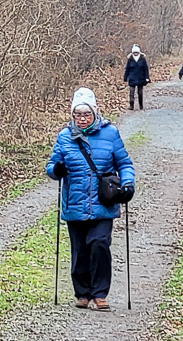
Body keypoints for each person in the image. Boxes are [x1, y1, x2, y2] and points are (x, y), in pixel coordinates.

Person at [47, 87, 135, 311]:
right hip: (75, 203)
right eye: (78, 114)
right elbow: (52, 166)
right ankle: (82, 294)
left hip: (103, 202)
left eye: (87, 114)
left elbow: (124, 163)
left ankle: (100, 294)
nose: (83, 118)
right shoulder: (65, 136)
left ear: (95, 112)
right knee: (79, 251)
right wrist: (56, 170)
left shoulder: (110, 133)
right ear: (72, 114)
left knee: (99, 244)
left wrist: (128, 185)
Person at [123, 44, 150, 110]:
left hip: (141, 78)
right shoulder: (130, 59)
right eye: (134, 52)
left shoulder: (142, 59)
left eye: (137, 52)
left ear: (139, 52)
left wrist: (147, 77)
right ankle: (131, 105)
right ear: (132, 52)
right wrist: (125, 78)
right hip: (132, 78)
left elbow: (146, 69)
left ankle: (141, 105)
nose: (135, 53)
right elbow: (127, 69)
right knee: (131, 93)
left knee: (140, 93)